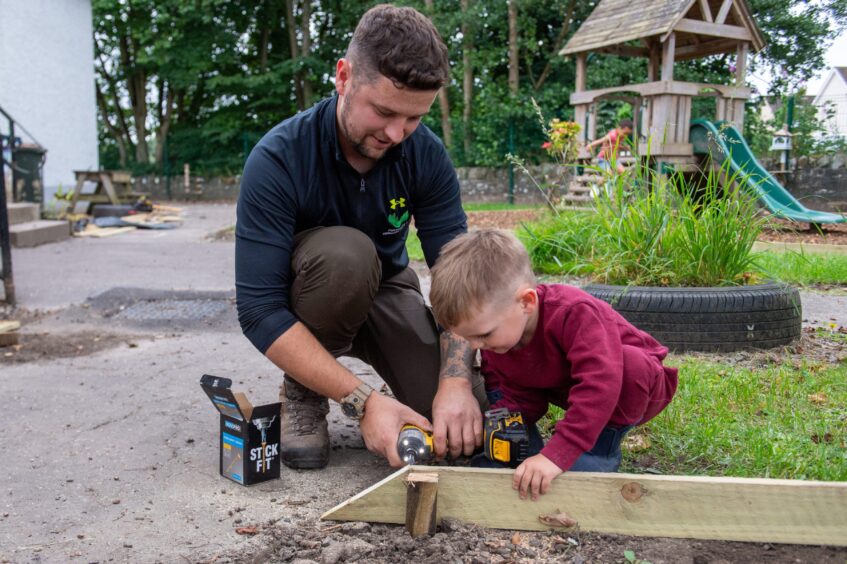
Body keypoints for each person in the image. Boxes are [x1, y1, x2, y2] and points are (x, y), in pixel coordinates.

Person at [235, 4, 485, 471]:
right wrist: (364, 403)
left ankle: (410, 388)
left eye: (413, 118)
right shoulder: (278, 158)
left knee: (466, 430)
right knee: (347, 255)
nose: (397, 133)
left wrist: (456, 380)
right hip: (317, 291)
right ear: (344, 77)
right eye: (385, 111)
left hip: (388, 291)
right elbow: (258, 309)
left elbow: (460, 278)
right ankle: (305, 390)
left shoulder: (425, 155)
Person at [429, 229, 678, 501]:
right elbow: (506, 388)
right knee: (504, 383)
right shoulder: (501, 336)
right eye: (468, 338)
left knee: (632, 366)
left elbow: (600, 386)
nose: (475, 346)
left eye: (484, 334)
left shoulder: (574, 312)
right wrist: (509, 438)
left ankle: (598, 450)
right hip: (564, 382)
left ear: (526, 302)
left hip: (627, 389)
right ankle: (522, 450)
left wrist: (557, 455)